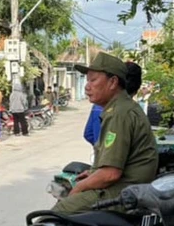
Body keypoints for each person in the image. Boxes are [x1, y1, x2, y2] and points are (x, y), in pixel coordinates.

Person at [53, 53, 157, 214]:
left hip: (124, 192)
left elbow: (110, 174)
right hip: (130, 187)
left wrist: (79, 189)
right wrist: (93, 173)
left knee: (58, 213)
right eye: (87, 80)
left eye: (93, 80)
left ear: (113, 82)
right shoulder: (122, 107)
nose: (87, 86)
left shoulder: (119, 113)